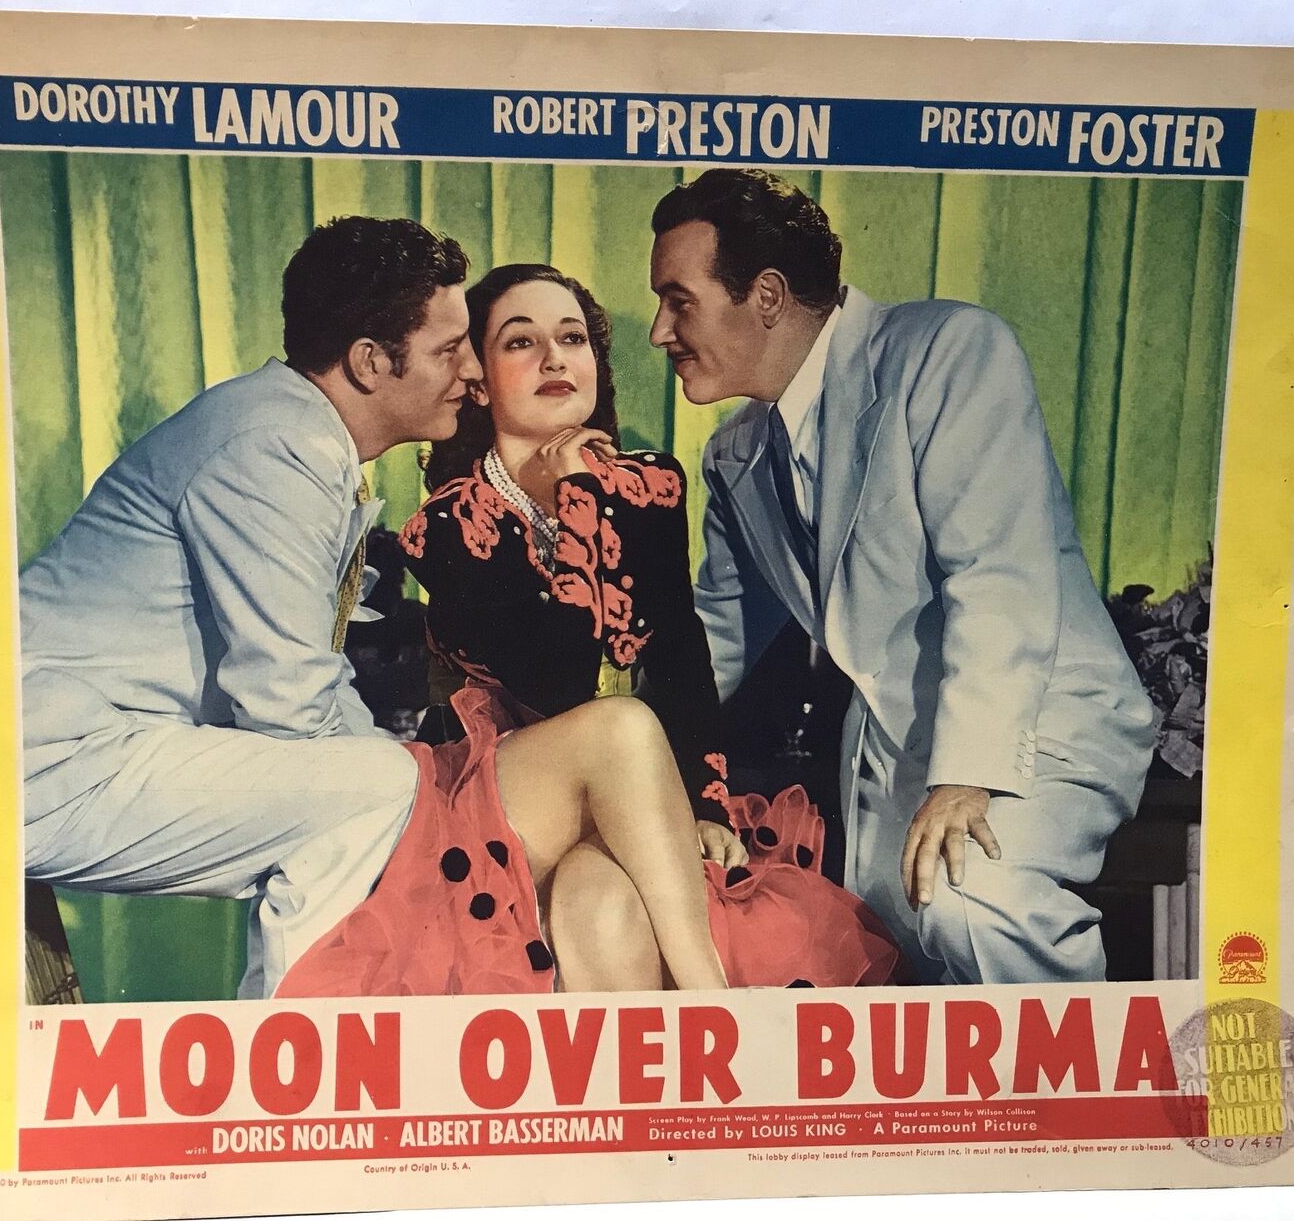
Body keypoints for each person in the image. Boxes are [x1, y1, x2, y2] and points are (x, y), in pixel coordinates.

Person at [21, 217, 722, 998]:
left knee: (410, 784)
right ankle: (294, 1042)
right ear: (368, 362)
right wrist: (445, 806)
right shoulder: (274, 446)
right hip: (57, 761)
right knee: (375, 789)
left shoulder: (296, 435)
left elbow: (317, 693)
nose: (470, 372)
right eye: (449, 350)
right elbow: (287, 706)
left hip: (114, 746)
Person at [275, 264, 897, 996]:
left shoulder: (650, 486)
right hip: (498, 805)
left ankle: (673, 1062)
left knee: (596, 904)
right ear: (479, 380)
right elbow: (559, 676)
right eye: (520, 342)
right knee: (619, 725)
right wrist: (574, 496)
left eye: (572, 338)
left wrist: (704, 802)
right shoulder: (447, 524)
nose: (554, 358)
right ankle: (718, 1006)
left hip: (628, 798)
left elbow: (679, 655)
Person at [648, 169, 1158, 984]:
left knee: (969, 903)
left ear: (767, 295)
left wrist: (966, 777)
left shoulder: (948, 352)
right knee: (883, 951)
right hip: (888, 759)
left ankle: (1090, 1066)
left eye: (679, 301)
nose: (659, 332)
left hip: (1031, 728)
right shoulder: (735, 454)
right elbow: (716, 640)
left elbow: (998, 577)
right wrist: (607, 739)